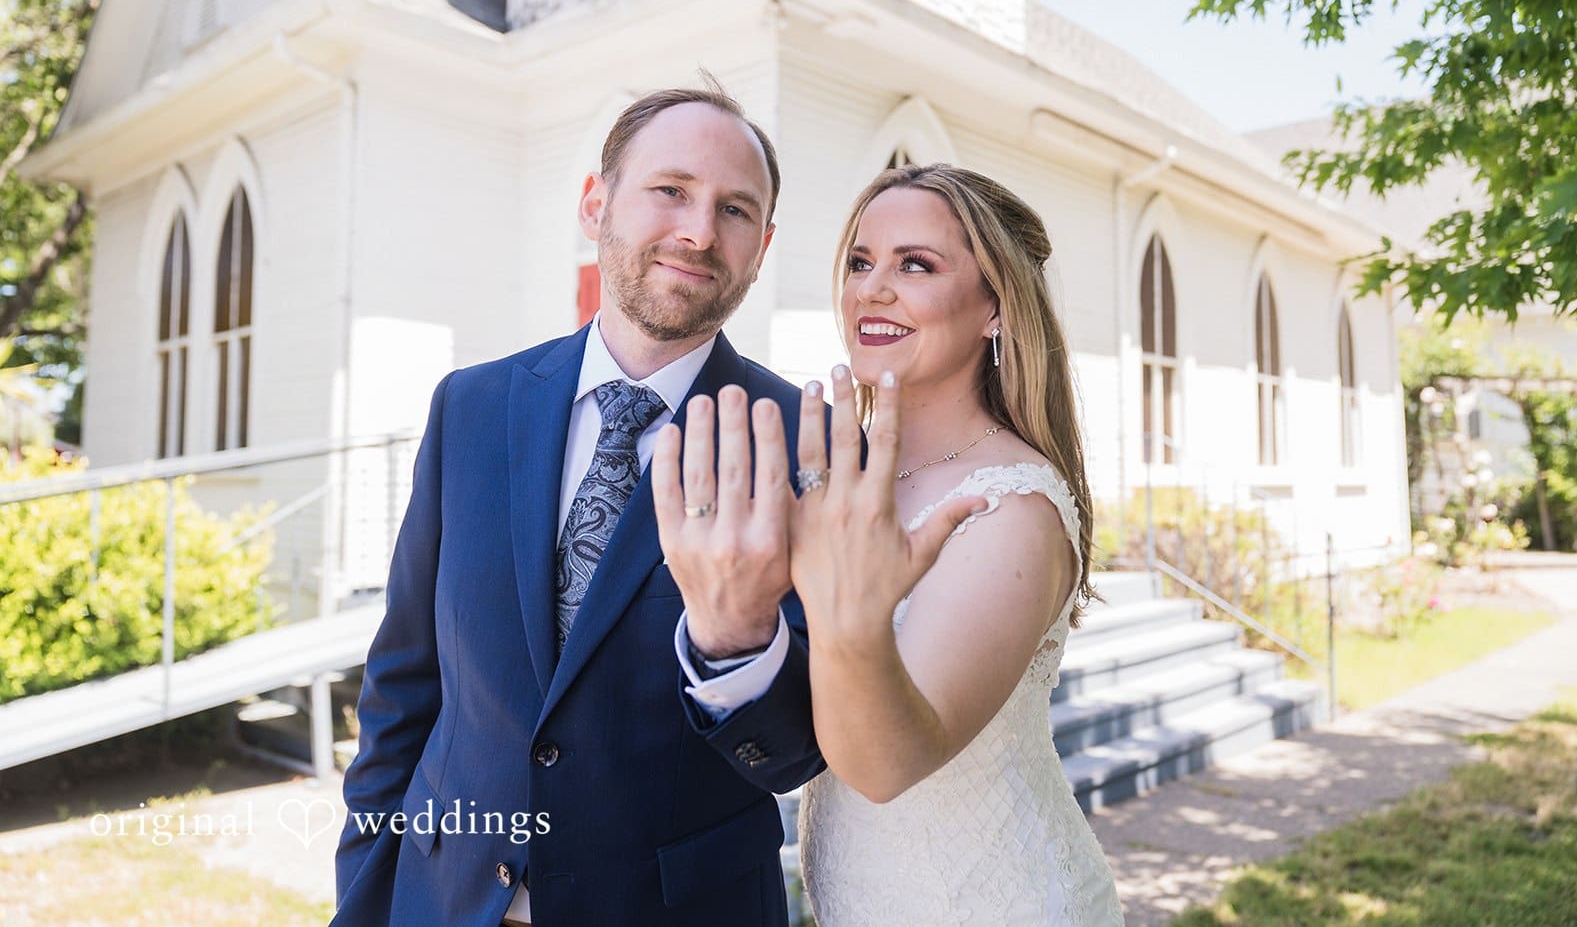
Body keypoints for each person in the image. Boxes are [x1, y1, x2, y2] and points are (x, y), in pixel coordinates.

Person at [332, 85, 826, 927]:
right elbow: (405, 681)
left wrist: (737, 641)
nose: (699, 231)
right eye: (670, 189)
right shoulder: (472, 407)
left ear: (762, 246)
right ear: (595, 201)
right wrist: (364, 887)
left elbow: (798, 751)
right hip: (440, 901)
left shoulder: (800, 444)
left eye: (734, 209)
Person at [790, 164, 1124, 924]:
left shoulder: (1013, 505)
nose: (872, 288)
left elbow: (887, 762)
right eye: (859, 261)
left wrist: (848, 610)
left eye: (915, 264)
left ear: (995, 308)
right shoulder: (842, 467)